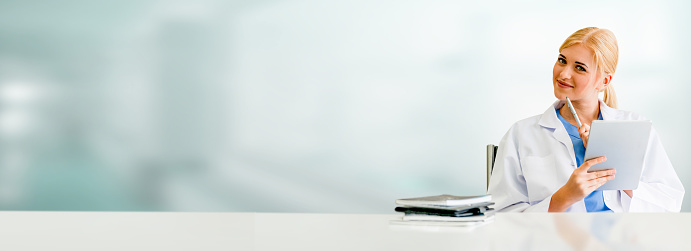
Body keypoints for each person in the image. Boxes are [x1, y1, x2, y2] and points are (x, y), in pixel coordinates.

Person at [487, 27, 684, 212]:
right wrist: (563, 197)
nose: (563, 74)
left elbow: (670, 203)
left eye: (580, 68)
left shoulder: (635, 128)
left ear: (604, 81)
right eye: (562, 60)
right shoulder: (522, 134)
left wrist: (615, 166)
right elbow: (501, 216)